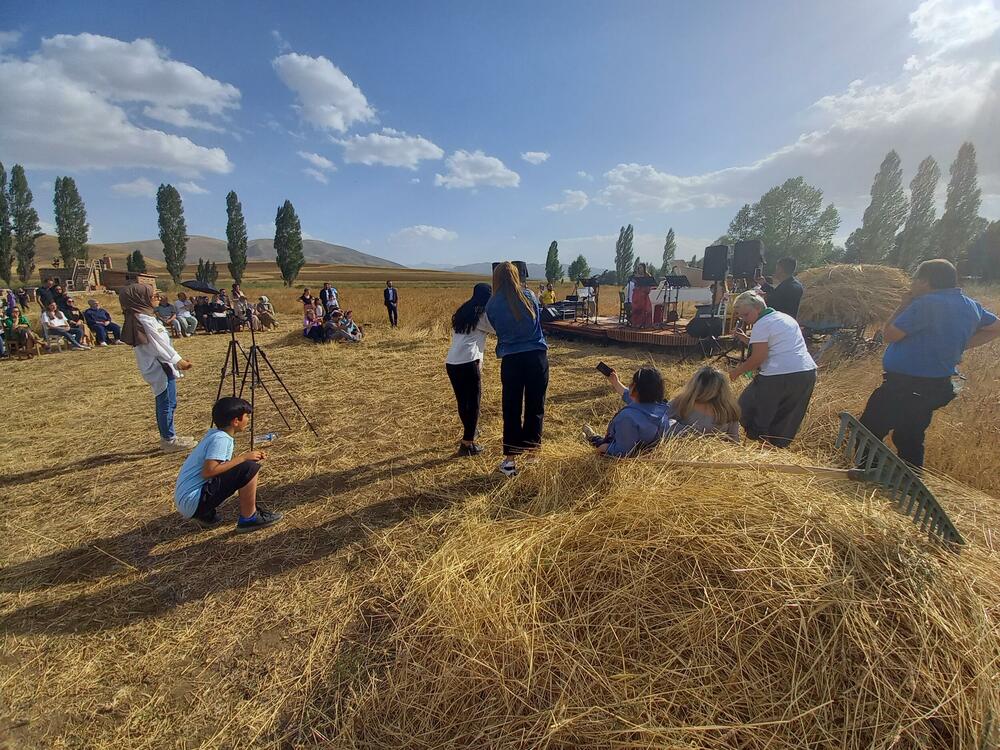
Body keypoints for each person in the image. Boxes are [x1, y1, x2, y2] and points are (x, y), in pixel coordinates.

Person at [859, 259, 1000, 468]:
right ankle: (911, 479)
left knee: (868, 430)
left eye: (915, 279)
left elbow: (890, 335)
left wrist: (903, 305)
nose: (912, 284)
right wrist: (960, 346)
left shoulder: (925, 304)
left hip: (905, 385)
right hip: (937, 386)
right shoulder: (970, 305)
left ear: (925, 281)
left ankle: (867, 475)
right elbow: (996, 327)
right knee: (909, 436)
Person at [173, 396, 283, 532]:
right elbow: (208, 471)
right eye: (246, 416)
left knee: (243, 466)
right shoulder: (221, 439)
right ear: (236, 421)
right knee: (249, 468)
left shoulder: (215, 435)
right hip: (192, 501)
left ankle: (206, 514)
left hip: (186, 501)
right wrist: (243, 459)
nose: (248, 420)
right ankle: (249, 518)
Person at [728, 291, 817, 447]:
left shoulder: (762, 324)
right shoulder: (785, 318)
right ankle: (774, 447)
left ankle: (761, 443)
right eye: (741, 317)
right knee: (785, 416)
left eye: (746, 315)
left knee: (748, 408)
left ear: (758, 308)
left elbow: (758, 357)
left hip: (778, 376)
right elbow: (773, 344)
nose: (744, 319)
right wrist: (746, 339)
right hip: (806, 373)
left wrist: (736, 372)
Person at [485, 262, 549, 477]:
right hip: (536, 356)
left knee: (511, 408)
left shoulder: (492, 303)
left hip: (511, 359)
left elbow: (496, 328)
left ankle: (510, 461)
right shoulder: (529, 295)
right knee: (535, 406)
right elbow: (538, 321)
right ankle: (533, 456)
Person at [119, 284, 195, 452]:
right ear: (141, 299)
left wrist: (177, 359)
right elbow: (158, 346)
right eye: (154, 296)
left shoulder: (145, 317)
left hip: (164, 365)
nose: (158, 298)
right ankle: (169, 440)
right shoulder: (143, 320)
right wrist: (178, 361)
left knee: (169, 402)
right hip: (160, 367)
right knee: (166, 403)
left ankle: (170, 435)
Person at [446, 283, 494, 456]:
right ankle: (467, 444)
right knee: (474, 402)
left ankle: (470, 432)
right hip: (469, 361)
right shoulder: (481, 315)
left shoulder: (463, 311)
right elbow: (497, 329)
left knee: (462, 401)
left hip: (452, 361)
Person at [587, 366, 672, 457]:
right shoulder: (658, 408)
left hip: (620, 447)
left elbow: (623, 451)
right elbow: (628, 395)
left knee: (600, 443)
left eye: (633, 382)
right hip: (642, 447)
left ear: (637, 389)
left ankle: (592, 437)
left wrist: (605, 448)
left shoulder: (628, 418)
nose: (630, 385)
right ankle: (592, 436)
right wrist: (615, 382)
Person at [665, 366, 741, 441]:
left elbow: (662, 421)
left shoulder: (683, 402)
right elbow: (734, 441)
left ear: (694, 385)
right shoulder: (729, 410)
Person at [629, 263, 656, 328]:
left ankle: (646, 324)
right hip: (637, 294)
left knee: (647, 309)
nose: (639, 269)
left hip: (645, 294)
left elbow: (651, 285)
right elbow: (634, 285)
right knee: (637, 309)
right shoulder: (636, 276)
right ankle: (637, 323)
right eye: (638, 268)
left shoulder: (648, 276)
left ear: (644, 268)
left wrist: (647, 289)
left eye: (640, 267)